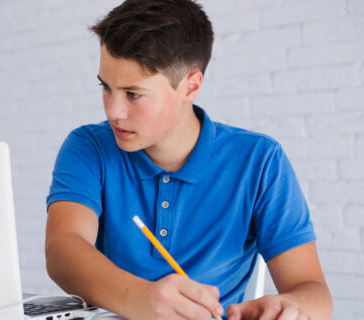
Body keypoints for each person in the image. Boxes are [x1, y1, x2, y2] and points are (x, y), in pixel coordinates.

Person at [44, 0, 333, 319]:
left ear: (191, 86)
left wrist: (293, 307)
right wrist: (139, 298)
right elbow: (63, 250)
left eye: (133, 94)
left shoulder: (259, 160)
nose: (113, 111)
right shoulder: (88, 147)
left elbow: (312, 290)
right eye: (106, 87)